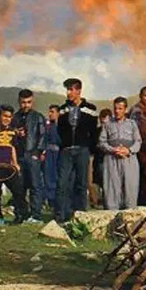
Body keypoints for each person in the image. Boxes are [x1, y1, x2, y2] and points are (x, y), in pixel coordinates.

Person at [55, 78, 97, 223]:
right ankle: (61, 215)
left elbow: (93, 132)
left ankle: (80, 215)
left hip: (82, 150)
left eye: (71, 89)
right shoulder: (62, 109)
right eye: (67, 89)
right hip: (66, 150)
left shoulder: (90, 109)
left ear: (78, 90)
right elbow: (60, 130)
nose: (68, 93)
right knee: (62, 183)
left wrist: (89, 149)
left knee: (81, 183)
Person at [98, 96, 142, 210]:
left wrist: (129, 150)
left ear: (125, 109)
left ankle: (130, 218)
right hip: (112, 159)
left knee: (130, 189)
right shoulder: (108, 124)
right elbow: (102, 142)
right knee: (112, 189)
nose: (117, 111)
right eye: (115, 108)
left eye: (120, 108)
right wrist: (113, 150)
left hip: (129, 159)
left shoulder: (132, 124)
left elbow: (138, 141)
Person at [0, 105, 25, 226]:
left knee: (18, 191)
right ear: (0, 116)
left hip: (9, 167)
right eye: (4, 116)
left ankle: (20, 215)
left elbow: (12, 148)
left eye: (9, 116)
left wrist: (15, 164)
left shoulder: (13, 131)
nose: (7, 119)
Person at [11, 89, 46, 223]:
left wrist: (37, 153)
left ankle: (36, 215)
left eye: (28, 102)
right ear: (19, 102)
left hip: (32, 155)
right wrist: (15, 133)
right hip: (19, 156)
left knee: (35, 186)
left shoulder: (38, 117)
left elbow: (43, 136)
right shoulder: (15, 118)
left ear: (33, 101)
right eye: (23, 102)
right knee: (19, 187)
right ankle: (20, 214)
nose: (26, 105)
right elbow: (9, 136)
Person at [43, 105, 61, 210]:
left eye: (52, 112)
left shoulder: (62, 126)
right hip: (49, 153)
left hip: (59, 153)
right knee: (49, 176)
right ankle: (50, 200)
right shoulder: (48, 126)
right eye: (49, 112)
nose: (50, 114)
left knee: (58, 176)